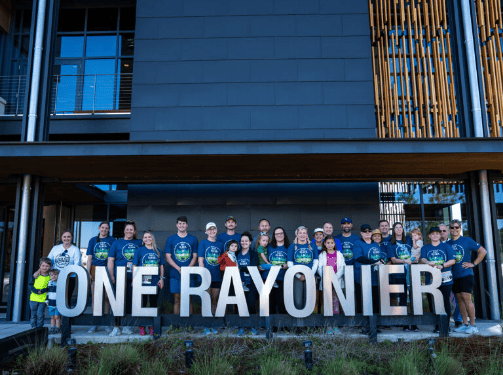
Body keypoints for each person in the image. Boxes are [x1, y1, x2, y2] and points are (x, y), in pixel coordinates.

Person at [448, 219, 487, 334]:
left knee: (467, 298)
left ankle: (473, 325)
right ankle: (465, 324)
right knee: (459, 300)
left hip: (466, 274)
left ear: (460, 228)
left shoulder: (467, 240)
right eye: (452, 227)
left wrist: (473, 264)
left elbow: (483, 251)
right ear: (450, 229)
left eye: (456, 227)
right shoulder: (448, 244)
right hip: (454, 276)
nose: (454, 229)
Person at [107, 220, 143, 336]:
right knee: (117, 302)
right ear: (124, 231)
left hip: (134, 278)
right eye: (127, 229)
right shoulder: (116, 243)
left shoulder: (139, 242)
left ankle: (127, 326)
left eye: (131, 230)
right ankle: (116, 327)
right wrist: (112, 275)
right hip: (119, 276)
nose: (129, 231)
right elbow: (111, 260)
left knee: (130, 302)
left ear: (134, 231)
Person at [421, 227, 456, 333]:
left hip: (445, 277)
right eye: (433, 234)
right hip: (431, 279)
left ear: (440, 235)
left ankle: (446, 325)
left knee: (445, 301)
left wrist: (442, 265)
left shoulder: (447, 246)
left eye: (437, 233)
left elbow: (453, 260)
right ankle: (437, 325)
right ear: (429, 236)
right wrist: (427, 262)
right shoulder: (425, 247)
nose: (435, 235)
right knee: (433, 302)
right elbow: (422, 258)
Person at [133, 230, 166, 336]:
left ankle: (152, 327)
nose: (147, 239)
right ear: (143, 239)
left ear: (152, 238)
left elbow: (161, 266)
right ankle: (142, 327)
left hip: (154, 282)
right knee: (141, 305)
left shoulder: (158, 250)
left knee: (153, 305)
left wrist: (161, 279)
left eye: (149, 237)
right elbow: (134, 266)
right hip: (142, 281)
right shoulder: (139, 250)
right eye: (145, 237)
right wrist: (135, 279)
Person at [164, 216, 199, 315]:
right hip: (175, 274)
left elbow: (195, 256)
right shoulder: (171, 239)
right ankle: (176, 325)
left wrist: (187, 269)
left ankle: (190, 326)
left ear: (187, 225)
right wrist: (179, 269)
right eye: (179, 223)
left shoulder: (193, 239)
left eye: (183, 223)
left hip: (189, 274)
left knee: (189, 299)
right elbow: (168, 257)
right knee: (177, 299)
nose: (181, 225)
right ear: (176, 225)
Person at [86, 221, 115, 333]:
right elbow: (89, 258)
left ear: (108, 229)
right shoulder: (93, 240)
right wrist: (88, 272)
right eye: (102, 228)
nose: (104, 230)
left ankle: (107, 323)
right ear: (99, 228)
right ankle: (95, 323)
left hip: (107, 270)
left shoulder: (112, 240)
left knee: (108, 297)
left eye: (106, 228)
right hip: (95, 269)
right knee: (95, 298)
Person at [353, 225, 384, 323]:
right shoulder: (357, 243)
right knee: (362, 300)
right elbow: (359, 258)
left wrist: (381, 261)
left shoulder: (375, 244)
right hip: (361, 276)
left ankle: (374, 324)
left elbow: (378, 257)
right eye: (364, 231)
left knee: (375, 300)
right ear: (361, 233)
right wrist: (374, 262)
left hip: (374, 277)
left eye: (369, 231)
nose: (367, 233)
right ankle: (363, 324)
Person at [198, 222, 224, 335]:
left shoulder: (220, 244)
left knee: (214, 301)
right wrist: (204, 276)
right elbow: (200, 260)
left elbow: (223, 261)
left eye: (214, 229)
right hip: (206, 277)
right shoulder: (203, 243)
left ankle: (213, 325)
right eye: (209, 229)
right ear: (206, 231)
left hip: (217, 276)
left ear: (216, 230)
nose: (212, 231)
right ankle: (205, 325)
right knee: (206, 301)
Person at [387, 222, 413, 331]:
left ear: (403, 229)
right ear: (393, 230)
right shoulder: (391, 243)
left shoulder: (409, 240)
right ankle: (404, 323)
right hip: (398, 273)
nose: (398, 229)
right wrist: (405, 261)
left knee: (413, 298)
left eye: (400, 227)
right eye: (396, 227)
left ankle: (414, 322)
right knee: (402, 298)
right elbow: (393, 260)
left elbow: (415, 251)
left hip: (411, 272)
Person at [317, 235, 345, 334]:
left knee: (336, 304)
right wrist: (327, 278)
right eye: (328, 243)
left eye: (332, 243)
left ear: (334, 244)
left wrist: (335, 278)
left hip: (337, 282)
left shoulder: (339, 254)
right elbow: (319, 268)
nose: (330, 245)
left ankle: (335, 325)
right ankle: (328, 326)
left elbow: (342, 267)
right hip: (326, 282)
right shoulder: (322, 255)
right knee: (327, 304)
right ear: (325, 244)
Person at [287, 226, 319, 310]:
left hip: (310, 276)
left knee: (309, 300)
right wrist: (298, 275)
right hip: (297, 277)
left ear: (307, 235)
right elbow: (289, 263)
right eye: (300, 233)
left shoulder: (313, 246)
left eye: (304, 233)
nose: (302, 235)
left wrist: (310, 274)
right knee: (298, 301)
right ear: (296, 234)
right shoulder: (292, 246)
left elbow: (316, 262)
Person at [47, 229, 82, 304]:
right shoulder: (55, 248)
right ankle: (56, 315)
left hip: (69, 278)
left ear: (72, 238)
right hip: (55, 278)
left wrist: (65, 275)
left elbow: (77, 265)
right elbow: (48, 261)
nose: (66, 239)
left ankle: (67, 315)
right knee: (55, 298)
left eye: (68, 237)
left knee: (67, 298)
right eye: (64, 237)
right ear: (61, 238)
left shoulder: (75, 250)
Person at [439, 223, 462, 327]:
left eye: (444, 231)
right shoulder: (435, 244)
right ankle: (442, 322)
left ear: (448, 232)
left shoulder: (453, 243)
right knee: (442, 299)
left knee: (458, 298)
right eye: (440, 231)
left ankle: (458, 320)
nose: (442, 233)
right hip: (441, 276)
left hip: (456, 274)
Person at [237, 232, 259, 335]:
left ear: (250, 242)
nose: (244, 242)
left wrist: (240, 268)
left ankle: (252, 326)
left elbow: (253, 267)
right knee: (241, 305)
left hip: (250, 283)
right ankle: (242, 326)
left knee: (251, 304)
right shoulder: (236, 253)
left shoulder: (253, 254)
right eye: (242, 241)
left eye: (246, 241)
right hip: (238, 283)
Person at [264, 227, 290, 314]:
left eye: (281, 233)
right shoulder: (269, 247)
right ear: (274, 236)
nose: (279, 235)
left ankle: (283, 326)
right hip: (270, 278)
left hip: (283, 279)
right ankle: (272, 327)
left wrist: (281, 266)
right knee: (270, 303)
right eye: (277, 234)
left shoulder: (289, 247)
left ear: (284, 234)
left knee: (282, 302)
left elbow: (290, 263)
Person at [29, 258, 52, 329]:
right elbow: (30, 285)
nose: (45, 267)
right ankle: (33, 327)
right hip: (33, 298)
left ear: (50, 267)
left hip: (43, 299)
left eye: (47, 266)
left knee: (40, 314)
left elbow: (49, 287)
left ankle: (39, 327)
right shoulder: (36, 275)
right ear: (40, 266)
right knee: (33, 314)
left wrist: (42, 291)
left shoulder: (49, 277)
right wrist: (36, 291)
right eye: (43, 266)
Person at [46, 269, 61, 334]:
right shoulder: (49, 283)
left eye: (55, 275)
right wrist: (46, 300)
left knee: (57, 316)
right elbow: (47, 293)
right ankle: (52, 327)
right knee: (52, 317)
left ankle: (58, 327)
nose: (53, 276)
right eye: (51, 275)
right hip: (51, 303)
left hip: (57, 303)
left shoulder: (60, 283)